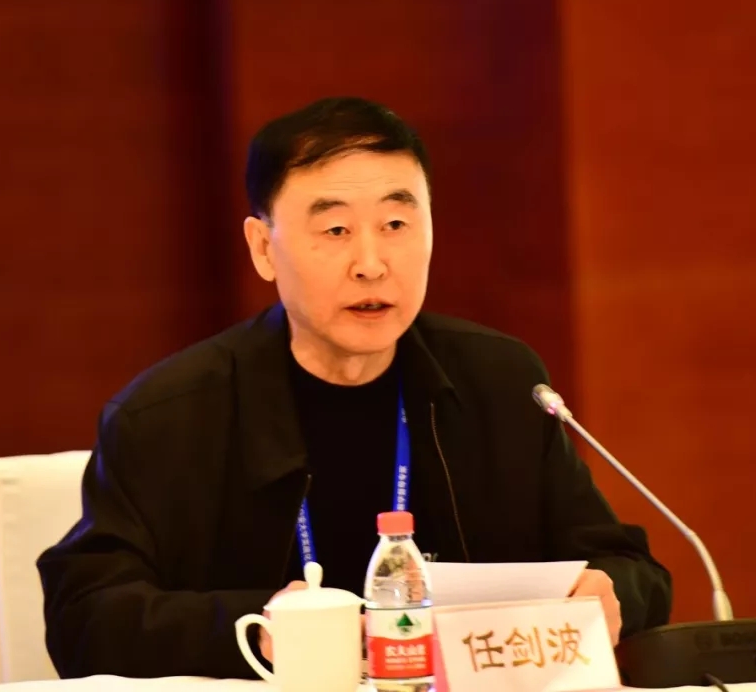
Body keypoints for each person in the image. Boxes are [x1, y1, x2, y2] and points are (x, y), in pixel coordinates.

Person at [36, 97, 672, 680]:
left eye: (396, 223)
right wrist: (256, 625)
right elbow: (85, 617)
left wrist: (611, 590)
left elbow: (630, 568)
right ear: (263, 248)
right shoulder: (169, 415)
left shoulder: (501, 381)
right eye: (336, 230)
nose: (371, 263)